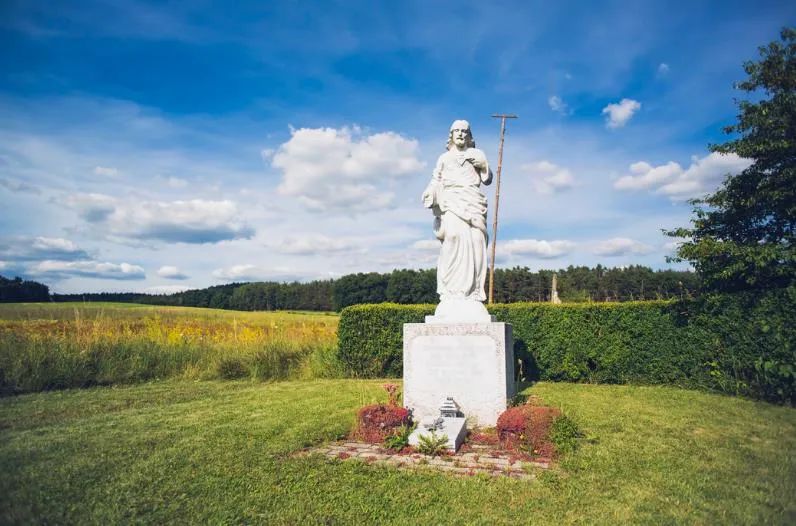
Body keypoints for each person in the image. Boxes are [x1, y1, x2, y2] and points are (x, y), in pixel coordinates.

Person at [422, 120, 492, 303]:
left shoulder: (476, 154)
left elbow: (487, 179)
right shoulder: (444, 158)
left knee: (477, 241)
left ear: (469, 135)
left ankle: (475, 291)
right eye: (457, 131)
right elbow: (435, 180)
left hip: (473, 201)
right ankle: (450, 290)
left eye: (464, 131)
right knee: (452, 238)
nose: (460, 134)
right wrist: (430, 192)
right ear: (451, 135)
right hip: (452, 201)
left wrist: (484, 166)